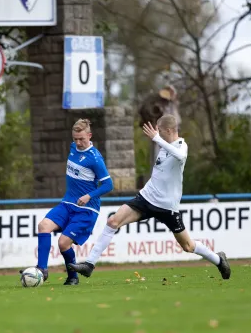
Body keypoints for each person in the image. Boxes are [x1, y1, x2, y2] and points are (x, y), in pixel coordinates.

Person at [68, 115, 231, 280]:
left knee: (188, 246)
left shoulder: (181, 146)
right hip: (146, 198)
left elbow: (181, 157)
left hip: (167, 206)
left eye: (159, 130)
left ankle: (219, 259)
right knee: (113, 222)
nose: (156, 133)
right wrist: (158, 140)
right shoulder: (163, 146)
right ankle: (89, 264)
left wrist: (157, 138)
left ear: (168, 130)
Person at [21, 119, 114, 285]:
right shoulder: (73, 148)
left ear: (89, 136)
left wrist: (88, 196)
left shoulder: (95, 158)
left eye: (81, 139)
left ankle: (73, 277)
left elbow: (108, 185)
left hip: (86, 209)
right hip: (67, 204)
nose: (78, 142)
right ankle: (42, 269)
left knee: (63, 243)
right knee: (43, 226)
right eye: (75, 139)